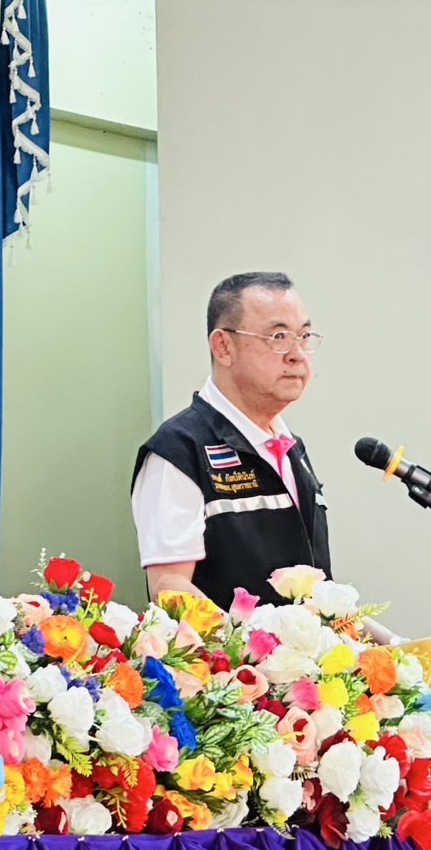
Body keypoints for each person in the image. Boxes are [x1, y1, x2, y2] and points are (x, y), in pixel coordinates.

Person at [130, 271, 399, 642]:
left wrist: (397, 649)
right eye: (278, 337)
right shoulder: (179, 451)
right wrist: (258, 650)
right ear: (223, 347)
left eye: (304, 336)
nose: (297, 354)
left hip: (311, 674)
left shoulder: (290, 448)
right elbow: (170, 587)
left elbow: (317, 601)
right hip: (235, 675)